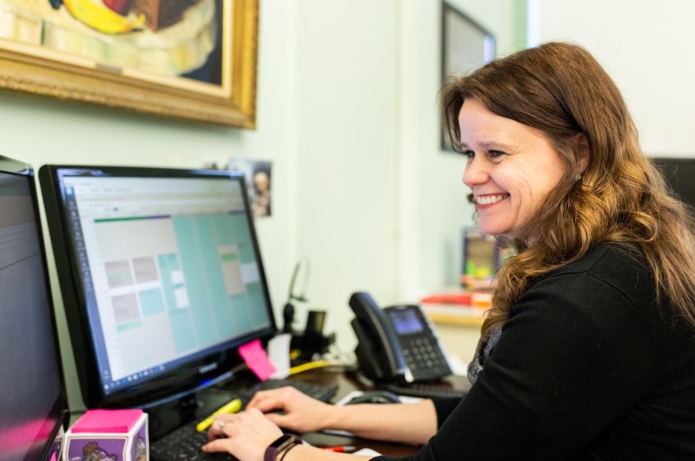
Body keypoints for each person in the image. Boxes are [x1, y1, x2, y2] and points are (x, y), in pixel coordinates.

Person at [201, 42, 695, 460]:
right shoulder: (619, 254)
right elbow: (490, 417)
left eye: (495, 153)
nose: (471, 175)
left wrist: (277, 450)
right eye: (468, 153)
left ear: (580, 153)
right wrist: (330, 414)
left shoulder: (584, 300)